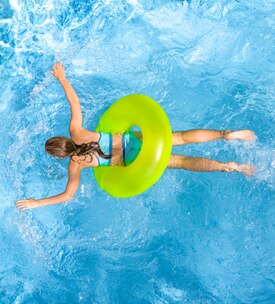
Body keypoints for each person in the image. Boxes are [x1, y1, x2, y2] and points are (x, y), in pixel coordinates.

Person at [16, 62, 255, 210]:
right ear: (63, 138)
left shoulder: (75, 165)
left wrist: (37, 202)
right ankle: (226, 134)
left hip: (132, 162)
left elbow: (68, 196)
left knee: (181, 162)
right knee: (180, 137)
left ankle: (230, 167)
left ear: (61, 155)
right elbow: (74, 101)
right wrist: (62, 78)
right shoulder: (76, 131)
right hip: (133, 140)